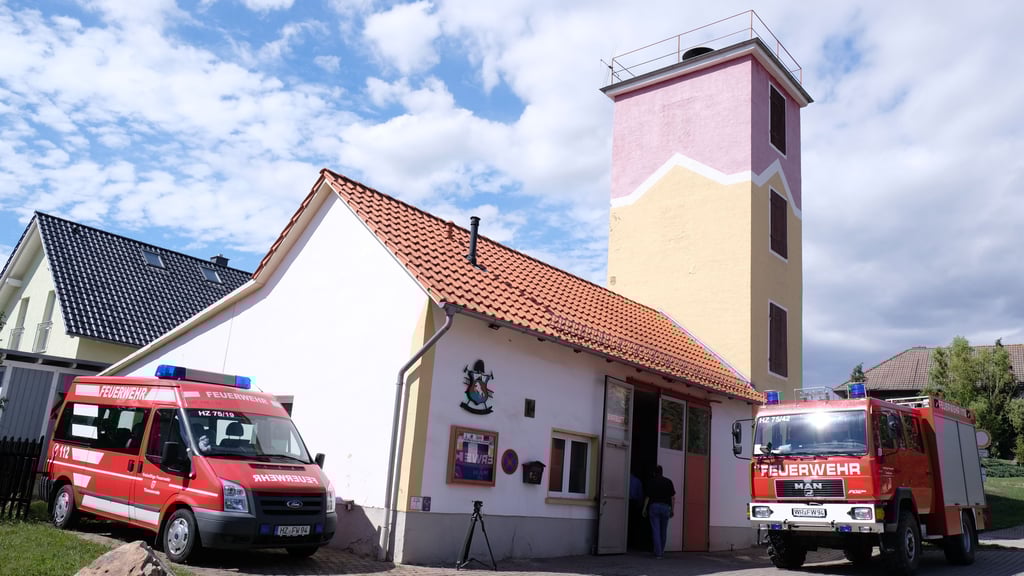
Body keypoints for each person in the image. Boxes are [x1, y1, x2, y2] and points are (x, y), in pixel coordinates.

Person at [643, 465, 675, 558]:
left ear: (654, 473)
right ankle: (661, 550)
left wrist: (644, 508)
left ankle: (658, 553)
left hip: (654, 507)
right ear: (662, 472)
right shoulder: (668, 482)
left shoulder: (651, 482)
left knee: (656, 530)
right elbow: (673, 497)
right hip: (665, 507)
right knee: (663, 530)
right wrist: (672, 510)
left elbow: (648, 497)